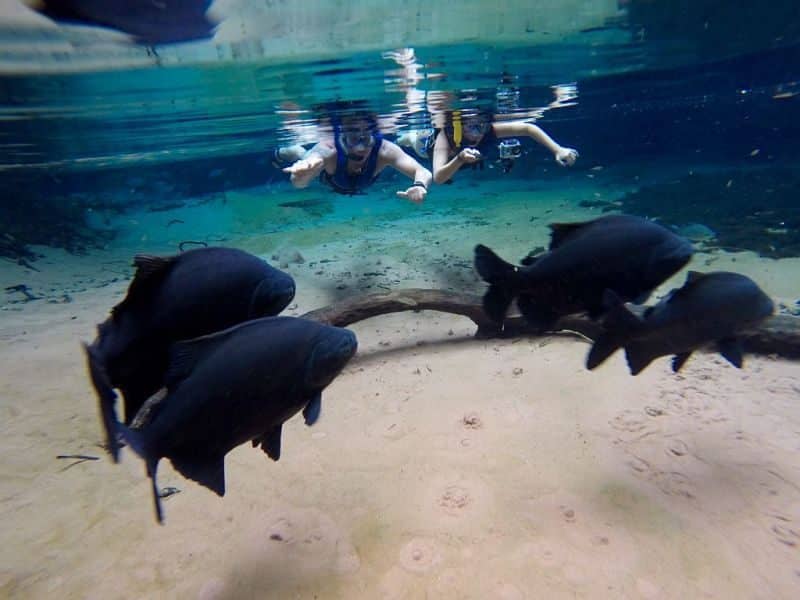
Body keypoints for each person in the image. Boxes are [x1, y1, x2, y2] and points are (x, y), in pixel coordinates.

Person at [280, 113, 432, 203]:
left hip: (343, 180)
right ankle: (289, 150)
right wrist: (301, 175)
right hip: (325, 176)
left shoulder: (384, 150)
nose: (361, 148)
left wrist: (420, 185)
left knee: (395, 148)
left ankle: (407, 138)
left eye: (366, 139)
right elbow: (299, 182)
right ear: (342, 138)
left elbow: (423, 171)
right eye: (353, 138)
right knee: (302, 155)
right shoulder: (329, 149)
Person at [431, 111, 579, 184]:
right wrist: (459, 159)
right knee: (411, 140)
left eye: (483, 126)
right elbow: (438, 178)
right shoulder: (446, 135)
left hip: (460, 159)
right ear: (460, 126)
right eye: (472, 127)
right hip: (427, 148)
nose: (479, 134)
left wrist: (557, 150)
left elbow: (527, 129)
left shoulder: (489, 131)